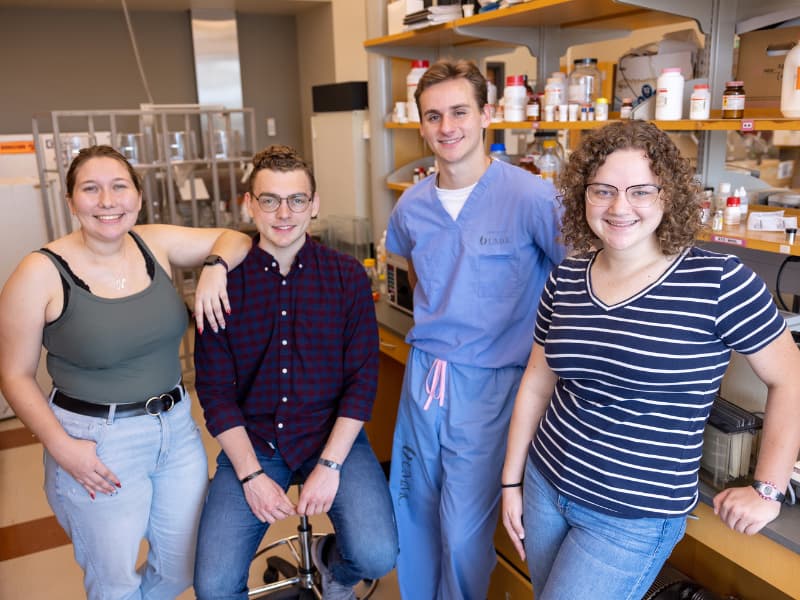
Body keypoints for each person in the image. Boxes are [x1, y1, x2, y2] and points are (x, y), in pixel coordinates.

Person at [501, 120, 800, 599]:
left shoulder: (719, 281)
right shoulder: (568, 277)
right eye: (603, 190)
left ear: (669, 195)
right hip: (545, 482)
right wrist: (511, 482)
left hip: (631, 517)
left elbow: (790, 378)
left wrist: (768, 488)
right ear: (582, 195)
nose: (620, 207)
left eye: (641, 191)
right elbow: (537, 382)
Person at [0, 144, 252, 599]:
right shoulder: (39, 272)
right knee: (113, 582)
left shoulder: (152, 242)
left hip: (176, 430)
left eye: (119, 187)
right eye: (90, 189)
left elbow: (237, 239)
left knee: (182, 568)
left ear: (137, 194)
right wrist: (64, 449)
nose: (107, 201)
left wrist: (214, 268)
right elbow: (14, 375)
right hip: (96, 441)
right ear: (71, 200)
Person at [385, 59, 566, 599]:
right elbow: (414, 273)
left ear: (487, 115)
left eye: (460, 111)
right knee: (412, 509)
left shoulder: (532, 197)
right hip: (424, 379)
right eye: (434, 115)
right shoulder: (411, 205)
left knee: (463, 531)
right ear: (420, 124)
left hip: (494, 385)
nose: (447, 127)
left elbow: (575, 279)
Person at [192, 144, 398, 600]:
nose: (283, 213)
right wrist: (250, 476)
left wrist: (330, 464)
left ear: (314, 205)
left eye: (297, 200)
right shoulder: (221, 286)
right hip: (255, 442)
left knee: (377, 554)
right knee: (212, 587)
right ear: (249, 205)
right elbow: (214, 393)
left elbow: (363, 380)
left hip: (331, 438)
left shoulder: (347, 277)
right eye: (269, 200)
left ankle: (332, 568)